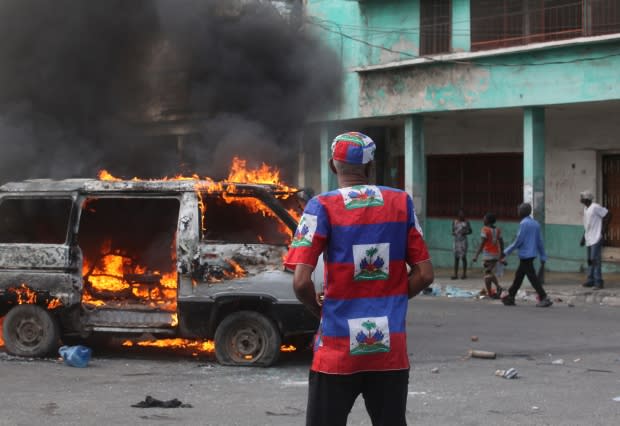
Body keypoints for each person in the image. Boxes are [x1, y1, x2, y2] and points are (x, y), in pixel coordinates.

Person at [285, 131, 434, 426]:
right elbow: (425, 274)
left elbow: (301, 282)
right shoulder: (400, 203)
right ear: (371, 167)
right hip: (388, 350)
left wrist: (320, 309)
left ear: (332, 165)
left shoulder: (320, 206)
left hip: (336, 351)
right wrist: (390, 299)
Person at [500, 203, 552, 307]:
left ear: (523, 211)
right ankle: (511, 296)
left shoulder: (524, 223)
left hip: (525, 255)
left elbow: (518, 241)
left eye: (519, 209)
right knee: (519, 276)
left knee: (532, 278)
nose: (518, 211)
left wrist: (505, 252)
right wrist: (543, 256)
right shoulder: (535, 224)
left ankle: (544, 297)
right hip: (531, 254)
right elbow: (539, 242)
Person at [579, 190, 611, 290]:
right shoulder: (585, 208)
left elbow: (608, 214)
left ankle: (599, 282)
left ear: (587, 199)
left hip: (596, 237)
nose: (581, 199)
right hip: (589, 238)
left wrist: (603, 231)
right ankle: (590, 280)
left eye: (582, 197)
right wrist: (583, 237)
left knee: (595, 260)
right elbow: (587, 225)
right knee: (590, 260)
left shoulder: (595, 207)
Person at [472, 213, 504, 299]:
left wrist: (476, 255)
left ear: (488, 220)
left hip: (487, 255)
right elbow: (501, 242)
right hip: (495, 254)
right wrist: (502, 254)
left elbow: (482, 243)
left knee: (487, 275)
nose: (483, 220)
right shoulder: (498, 230)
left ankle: (497, 287)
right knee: (489, 273)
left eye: (484, 219)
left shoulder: (485, 229)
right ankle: (492, 291)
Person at [451, 209, 472, 279]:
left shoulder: (467, 222)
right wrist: (453, 233)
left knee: (463, 257)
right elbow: (453, 230)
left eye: (462, 214)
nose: (461, 215)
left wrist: (465, 233)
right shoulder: (454, 222)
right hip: (456, 241)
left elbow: (470, 231)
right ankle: (455, 274)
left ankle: (464, 274)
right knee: (456, 258)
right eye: (460, 214)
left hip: (463, 241)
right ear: (458, 215)